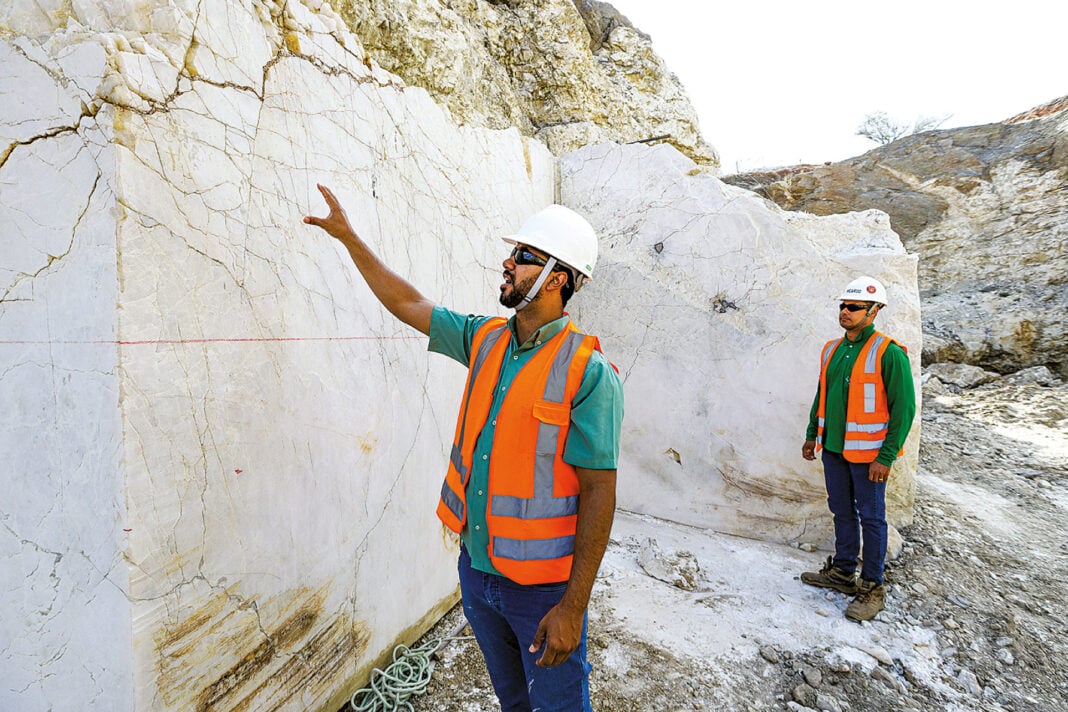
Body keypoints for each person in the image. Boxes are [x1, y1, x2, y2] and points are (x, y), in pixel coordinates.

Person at [304, 185, 623, 711]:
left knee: (559, 707)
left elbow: (599, 492)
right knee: (513, 700)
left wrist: (573, 606)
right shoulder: (486, 339)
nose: (508, 262)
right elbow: (408, 303)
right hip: (476, 574)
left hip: (541, 592)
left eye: (524, 256)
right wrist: (349, 238)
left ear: (556, 279)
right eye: (514, 252)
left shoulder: (589, 373)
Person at [800, 276, 916, 622]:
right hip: (834, 449)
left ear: (874, 311)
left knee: (872, 518)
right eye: (843, 306)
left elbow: (904, 409)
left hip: (869, 456)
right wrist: (812, 434)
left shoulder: (889, 353)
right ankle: (843, 572)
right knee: (841, 509)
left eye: (854, 307)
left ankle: (872, 587)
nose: (845, 312)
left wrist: (886, 456)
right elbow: (822, 395)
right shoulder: (831, 350)